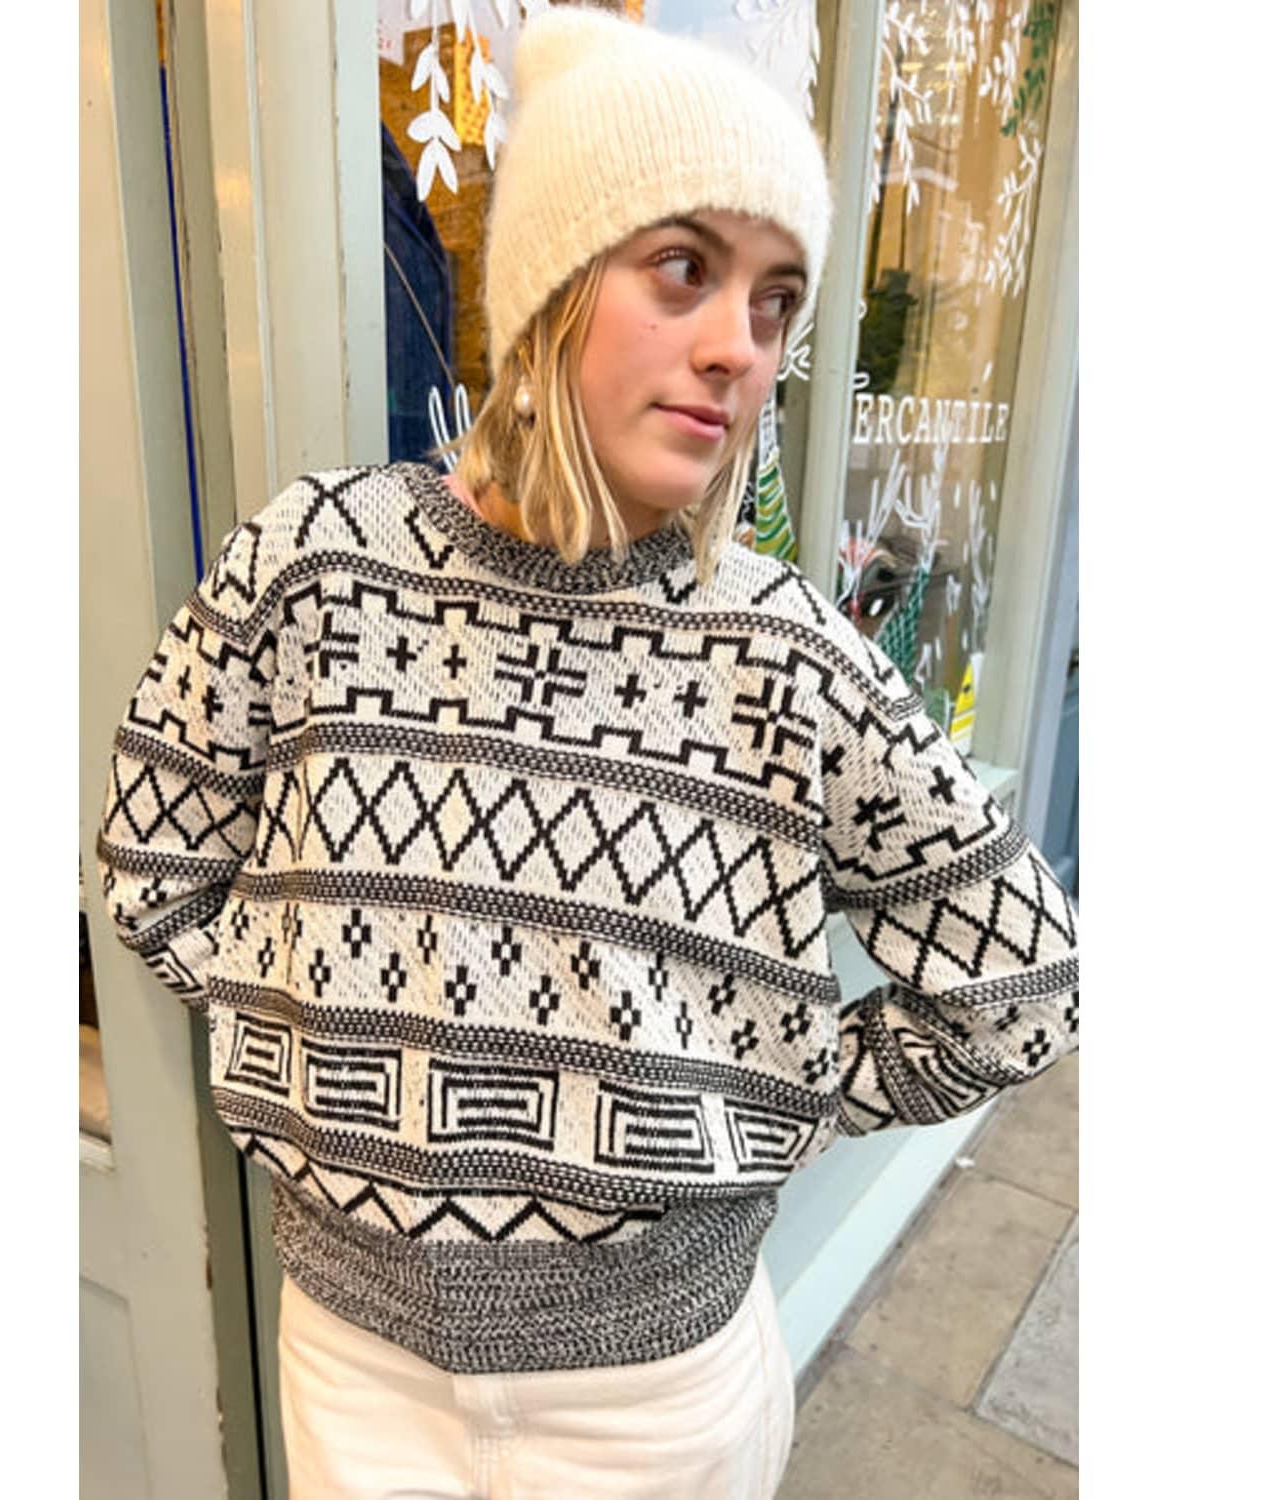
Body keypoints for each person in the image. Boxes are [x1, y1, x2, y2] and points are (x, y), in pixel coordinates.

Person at [95, 8, 1079, 1497]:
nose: (737, 346)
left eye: (775, 301)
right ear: (553, 281)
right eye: (683, 267)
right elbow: (151, 862)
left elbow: (1025, 988)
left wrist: (769, 1094)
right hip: (356, 1375)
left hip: (658, 1403)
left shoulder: (786, 654)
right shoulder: (312, 568)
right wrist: (310, 1042)